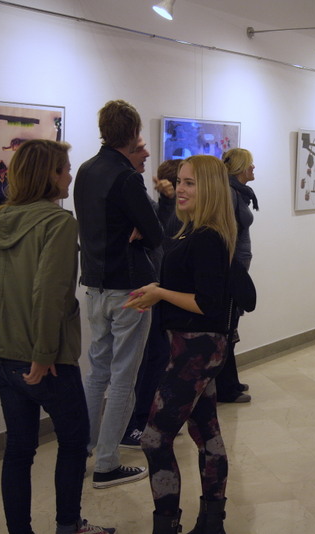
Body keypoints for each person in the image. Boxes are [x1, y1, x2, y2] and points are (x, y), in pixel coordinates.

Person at [0, 140, 114, 534]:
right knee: (74, 442)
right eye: (66, 169)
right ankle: (68, 526)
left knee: (19, 448)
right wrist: (43, 355)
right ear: (50, 175)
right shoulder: (58, 223)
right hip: (45, 360)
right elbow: (51, 294)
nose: (70, 175)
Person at [125, 155, 237, 534]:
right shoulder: (192, 232)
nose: (181, 189)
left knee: (155, 439)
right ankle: (211, 523)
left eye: (190, 183)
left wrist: (159, 293)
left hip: (197, 350)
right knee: (206, 433)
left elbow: (207, 303)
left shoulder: (207, 238)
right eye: (180, 182)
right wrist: (157, 290)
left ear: (210, 189)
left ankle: (167, 525)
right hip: (190, 347)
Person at [74, 100, 163, 489]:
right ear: (132, 133)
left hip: (94, 286)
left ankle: (81, 452)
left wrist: (137, 228)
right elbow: (156, 233)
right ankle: (107, 463)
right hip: (129, 289)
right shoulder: (126, 177)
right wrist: (141, 230)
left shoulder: (85, 170)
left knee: (97, 373)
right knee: (124, 376)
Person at [121, 159, 182, 448]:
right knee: (144, 360)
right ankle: (134, 424)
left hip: (154, 287)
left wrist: (166, 201)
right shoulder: (128, 191)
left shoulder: (148, 199)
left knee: (156, 357)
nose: (146, 153)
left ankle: (146, 420)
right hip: (143, 290)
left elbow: (159, 233)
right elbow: (162, 237)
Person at [215, 147, 257, 403]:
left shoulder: (239, 193)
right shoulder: (230, 194)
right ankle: (225, 388)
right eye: (250, 164)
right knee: (228, 328)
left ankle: (231, 381)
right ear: (241, 168)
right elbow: (226, 233)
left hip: (237, 266)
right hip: (232, 269)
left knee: (232, 327)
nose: (253, 168)